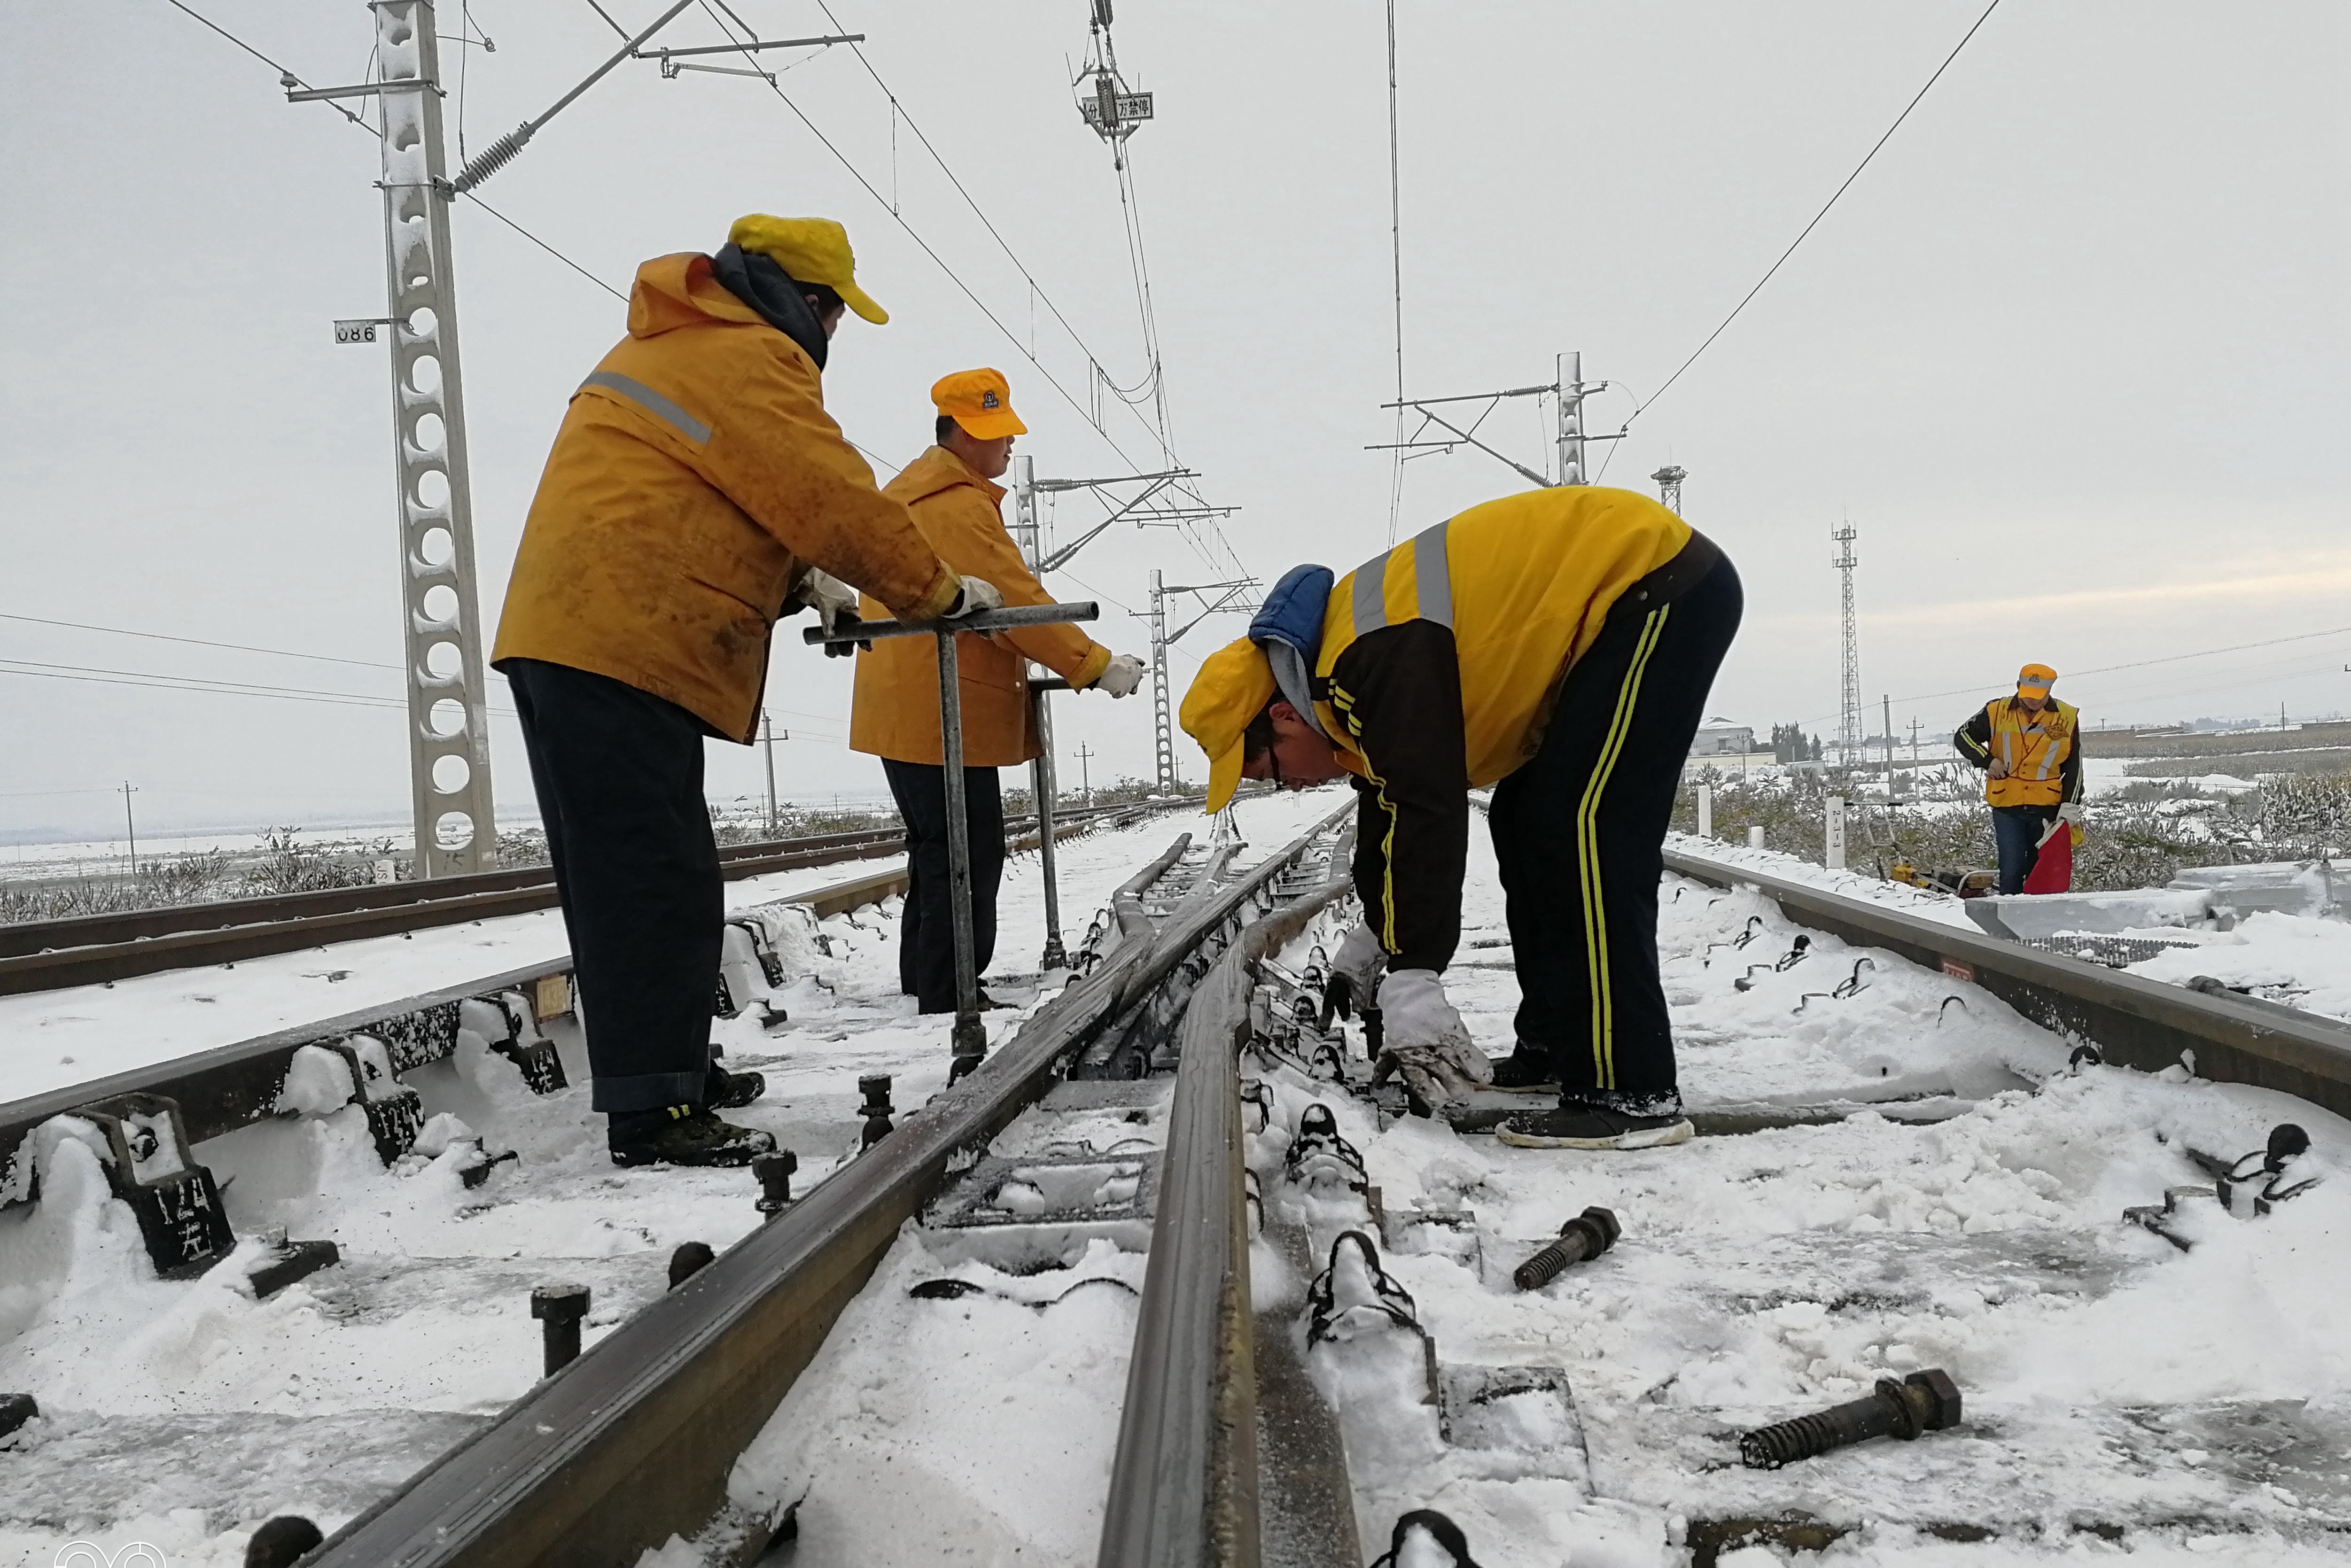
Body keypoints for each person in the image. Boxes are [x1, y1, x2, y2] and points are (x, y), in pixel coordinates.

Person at [491, 215, 1006, 1168]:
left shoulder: (686, 344)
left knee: (656, 870)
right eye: (836, 314)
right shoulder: (750, 356)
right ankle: (654, 1112)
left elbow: (709, 496)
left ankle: (674, 1071)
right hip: (614, 634)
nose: (834, 335)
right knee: (648, 877)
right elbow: (829, 495)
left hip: (589, 627)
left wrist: (801, 580)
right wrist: (934, 591)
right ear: (805, 302)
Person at [1179, 485, 1741, 1151]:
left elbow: (1428, 802)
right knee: (1524, 820)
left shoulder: (1367, 657)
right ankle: (1560, 1048)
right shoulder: (1337, 690)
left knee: (1584, 829)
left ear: (1281, 716)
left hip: (1650, 584)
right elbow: (1389, 809)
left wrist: (1416, 973)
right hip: (1616, 611)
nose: (1292, 785)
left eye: (1272, 771)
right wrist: (1382, 935)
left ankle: (1631, 1089)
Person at [849, 369, 1144, 1012]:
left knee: (939, 845)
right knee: (968, 848)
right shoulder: (954, 506)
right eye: (996, 432)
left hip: (908, 705)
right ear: (960, 435)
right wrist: (1094, 664)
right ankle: (951, 993)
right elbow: (1015, 602)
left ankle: (927, 979)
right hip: (941, 707)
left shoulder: (912, 494)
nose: (1010, 443)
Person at [1954, 663, 2083, 895]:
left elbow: (2074, 766)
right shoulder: (1996, 711)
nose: (2033, 701)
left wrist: (2070, 806)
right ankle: (2008, 913)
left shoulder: (2067, 717)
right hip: (2007, 804)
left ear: (2049, 691)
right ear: (2018, 686)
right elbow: (1963, 736)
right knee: (2011, 871)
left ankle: (2037, 917)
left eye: (2039, 696)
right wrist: (1988, 761)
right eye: (2028, 694)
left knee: (2041, 874)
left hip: (2047, 807)